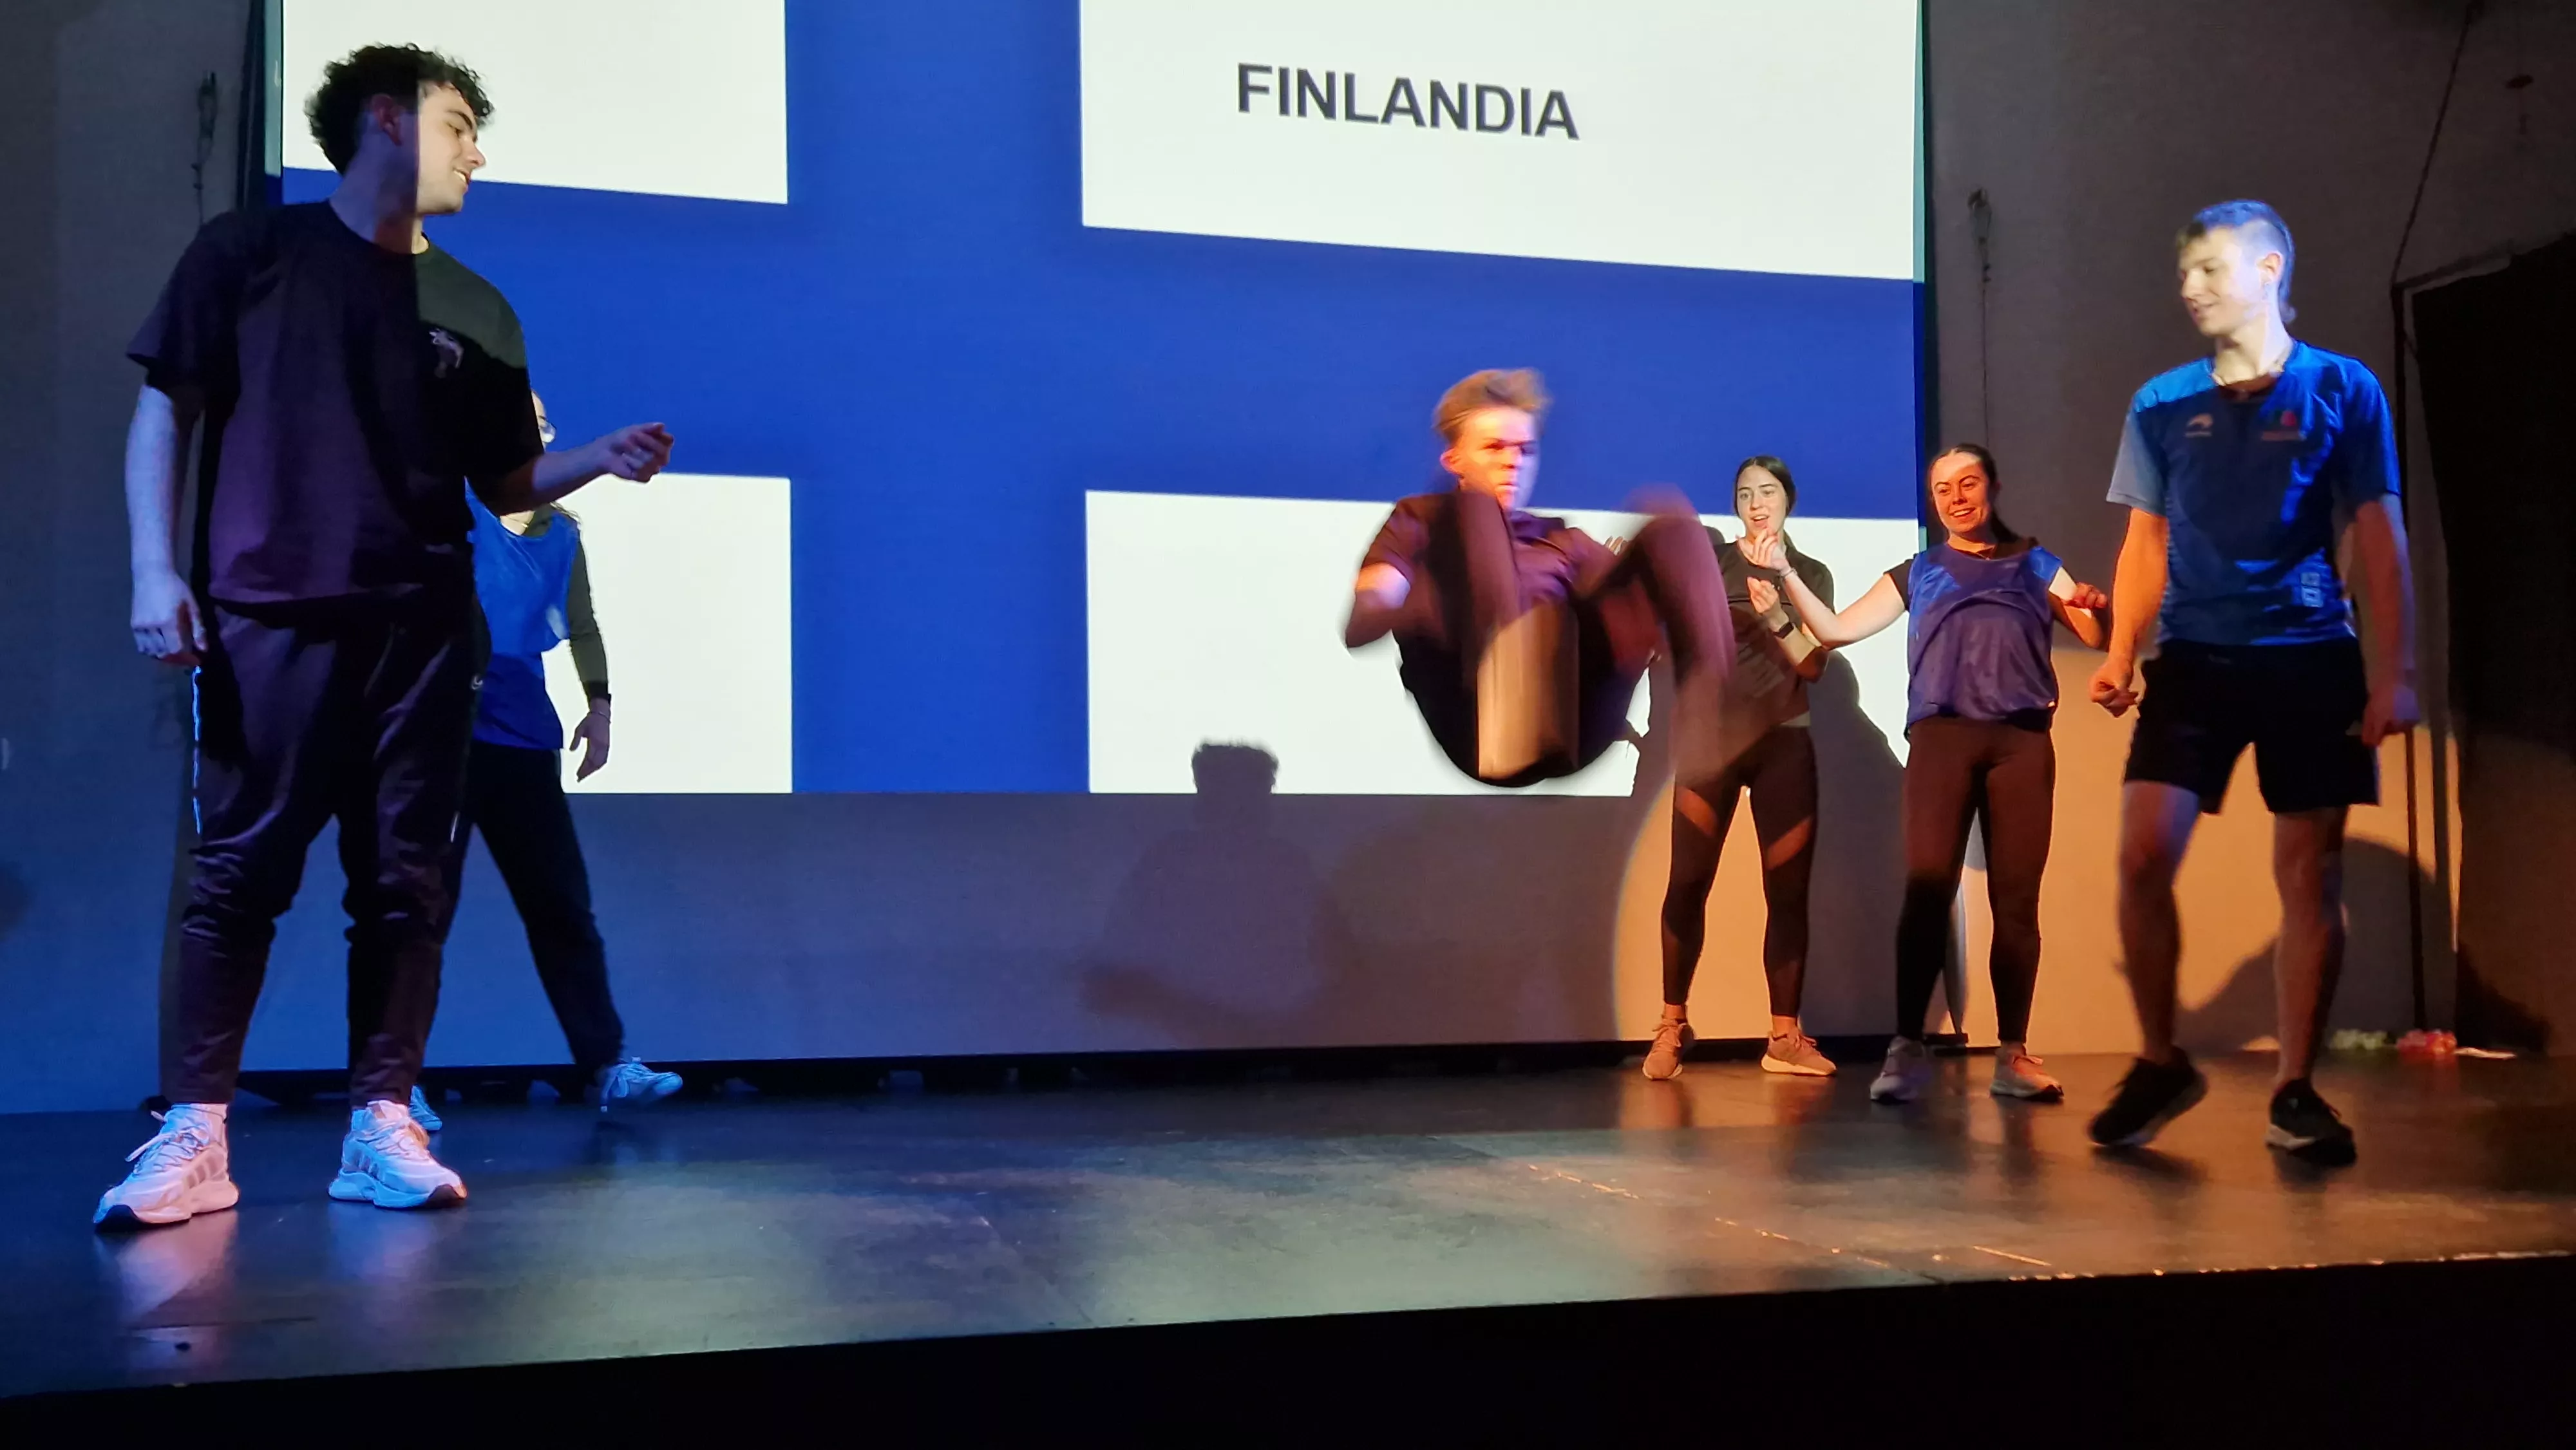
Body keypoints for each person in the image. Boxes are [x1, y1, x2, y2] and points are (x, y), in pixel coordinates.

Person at [99, 45, 673, 1229]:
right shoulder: (249, 254)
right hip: (270, 614)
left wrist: (598, 459)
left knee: (407, 885)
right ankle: (196, 1134)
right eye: (460, 122)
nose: (477, 150)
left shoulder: (477, 304)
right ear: (386, 120)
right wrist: (157, 569)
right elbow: (168, 408)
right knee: (239, 874)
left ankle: (382, 1120)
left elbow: (506, 469)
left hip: (423, 633)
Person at [2083, 202, 2416, 1165]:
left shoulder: (2343, 389)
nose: (2189, 286)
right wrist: (2117, 651)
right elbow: (2147, 537)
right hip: (2193, 659)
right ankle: (2160, 1061)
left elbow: (2378, 538)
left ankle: (2296, 1089)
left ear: (2269, 269)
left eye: (2209, 269)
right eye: (2182, 271)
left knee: (2309, 871)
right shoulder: (2160, 401)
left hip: (2311, 654)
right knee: (2144, 854)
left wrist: (2390, 675)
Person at [1748, 445, 2111, 1104]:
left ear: (1991, 487)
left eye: (1967, 483)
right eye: (1942, 488)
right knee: (1925, 892)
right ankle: (1907, 1045)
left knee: (2017, 903)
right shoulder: (1918, 571)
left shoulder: (2036, 562)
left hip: (2022, 745)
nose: (1955, 496)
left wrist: (2095, 605)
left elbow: (2093, 632)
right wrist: (1782, 575)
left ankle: (2013, 1052)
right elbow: (1830, 630)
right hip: (1942, 743)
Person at [409, 393, 683, 1135]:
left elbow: (582, 620)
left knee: (562, 905)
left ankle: (607, 1063)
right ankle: (393, 1084)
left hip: (522, 733)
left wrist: (599, 703)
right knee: (420, 911)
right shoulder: (452, 501)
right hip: (442, 729)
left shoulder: (562, 533)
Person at [1345, 368, 1738, 802]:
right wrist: (1415, 609)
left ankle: (1711, 719)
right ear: (1454, 459)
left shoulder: (1562, 539)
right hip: (1477, 720)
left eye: (1526, 451)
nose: (1513, 461)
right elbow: (1367, 615)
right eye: (1495, 447)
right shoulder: (1421, 520)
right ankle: (1506, 665)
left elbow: (1632, 612)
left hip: (1573, 719)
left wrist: (1668, 619)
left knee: (1670, 524)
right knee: (1475, 510)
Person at [1646, 456, 1835, 1079]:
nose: (1757, 503)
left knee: (1786, 894)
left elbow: (1814, 665)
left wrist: (1775, 613)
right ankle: (1672, 1024)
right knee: (1687, 882)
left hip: (1784, 742)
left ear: (1789, 500)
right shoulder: (1710, 559)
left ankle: (1784, 1037)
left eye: (1769, 492)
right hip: (1711, 743)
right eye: (1745, 493)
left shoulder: (1808, 573)